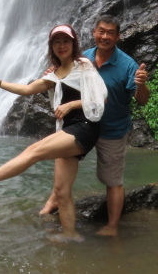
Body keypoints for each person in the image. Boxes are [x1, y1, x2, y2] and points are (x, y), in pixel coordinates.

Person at [0, 24, 107, 242]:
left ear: (73, 44)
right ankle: (71, 236)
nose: (62, 46)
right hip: (68, 130)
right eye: (57, 42)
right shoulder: (54, 75)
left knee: (33, 151)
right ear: (52, 46)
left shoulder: (84, 65)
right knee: (61, 191)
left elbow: (102, 98)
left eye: (66, 41)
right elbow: (27, 89)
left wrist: (71, 106)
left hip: (85, 127)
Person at [39, 15, 149, 237]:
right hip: (82, 126)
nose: (105, 36)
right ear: (94, 32)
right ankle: (53, 201)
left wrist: (142, 85)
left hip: (112, 130)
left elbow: (142, 100)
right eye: (101, 31)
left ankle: (112, 226)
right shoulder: (83, 58)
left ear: (117, 36)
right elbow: (62, 76)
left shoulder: (128, 65)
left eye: (110, 33)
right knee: (64, 168)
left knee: (113, 181)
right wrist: (51, 75)